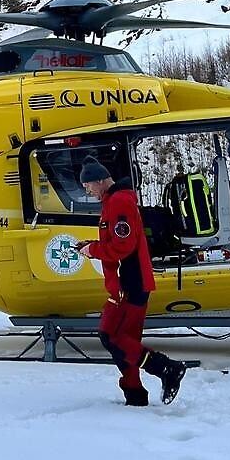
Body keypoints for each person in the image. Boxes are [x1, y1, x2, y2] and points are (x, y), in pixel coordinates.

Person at [74, 157, 186, 406]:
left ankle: (166, 368)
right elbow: (117, 243)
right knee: (124, 341)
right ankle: (135, 393)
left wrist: (93, 250)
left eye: (88, 185)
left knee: (111, 336)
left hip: (130, 283)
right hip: (128, 283)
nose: (87, 190)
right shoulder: (114, 201)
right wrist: (91, 247)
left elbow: (122, 247)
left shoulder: (119, 202)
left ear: (101, 180)